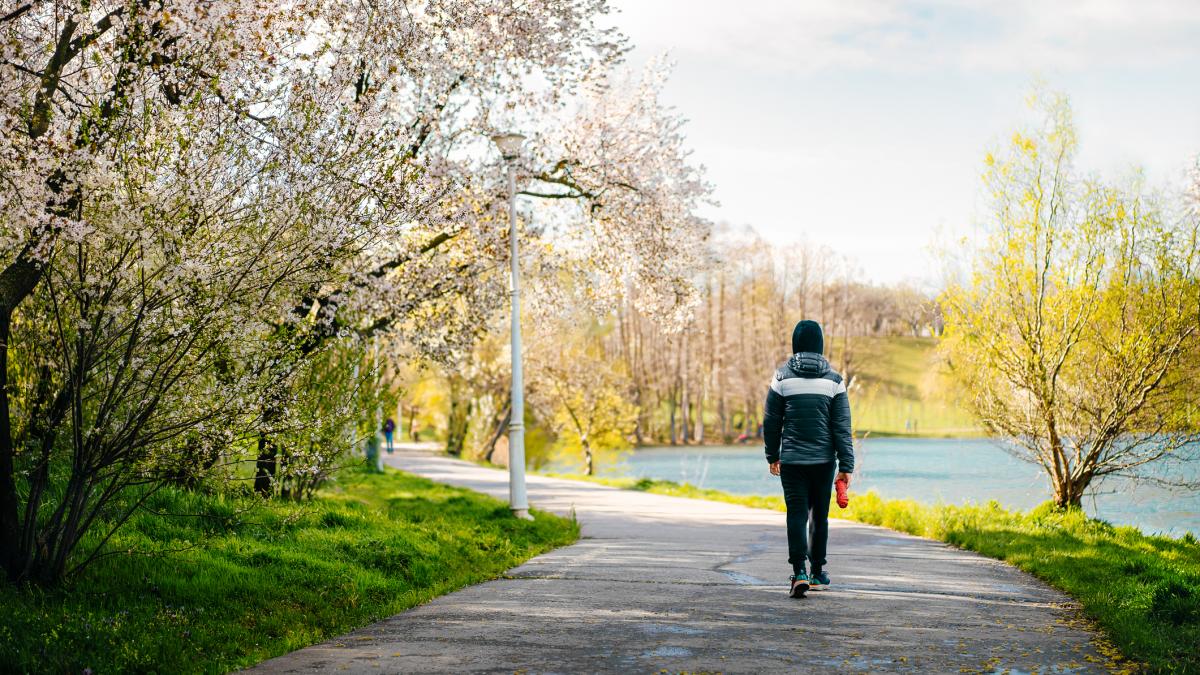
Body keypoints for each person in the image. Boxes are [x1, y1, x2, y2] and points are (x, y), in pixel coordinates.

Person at [763, 320, 854, 598]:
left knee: (797, 514)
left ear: (795, 344)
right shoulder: (834, 382)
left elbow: (771, 421)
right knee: (819, 517)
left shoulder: (781, 378)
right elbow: (841, 427)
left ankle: (799, 572)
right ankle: (817, 573)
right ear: (821, 345)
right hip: (823, 462)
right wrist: (846, 465)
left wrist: (772, 454)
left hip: (792, 461)